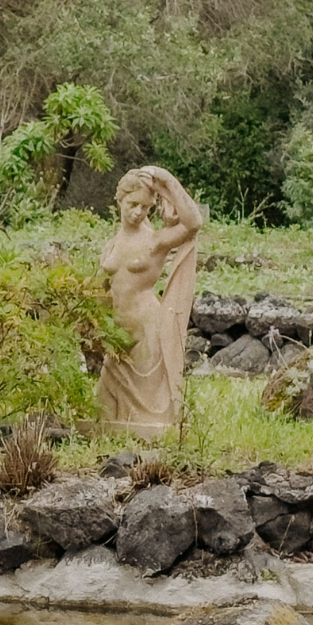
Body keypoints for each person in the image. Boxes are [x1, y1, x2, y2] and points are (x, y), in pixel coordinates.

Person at [97, 166, 203, 436]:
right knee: (103, 410)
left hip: (146, 330)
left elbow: (193, 223)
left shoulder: (154, 241)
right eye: (132, 204)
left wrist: (166, 180)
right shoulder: (111, 245)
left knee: (149, 414)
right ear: (119, 199)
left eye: (145, 207)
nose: (138, 212)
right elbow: (99, 290)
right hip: (117, 335)